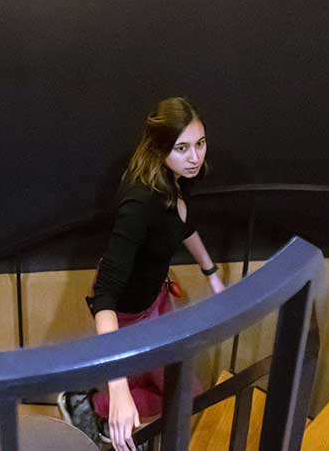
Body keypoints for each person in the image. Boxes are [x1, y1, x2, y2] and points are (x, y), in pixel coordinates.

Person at [58, 97, 226, 451]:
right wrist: (118, 392)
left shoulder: (178, 178)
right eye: (182, 148)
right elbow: (104, 295)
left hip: (158, 302)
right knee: (173, 393)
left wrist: (211, 273)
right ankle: (88, 403)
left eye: (200, 143)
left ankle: (97, 398)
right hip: (128, 314)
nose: (195, 157)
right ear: (160, 148)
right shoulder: (139, 203)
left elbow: (184, 223)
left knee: (180, 390)